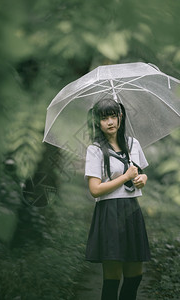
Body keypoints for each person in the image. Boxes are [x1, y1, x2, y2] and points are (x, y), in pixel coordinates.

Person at [85, 98, 150, 300]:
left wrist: (142, 179)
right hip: (110, 213)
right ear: (98, 122)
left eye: (114, 116)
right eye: (105, 118)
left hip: (131, 210)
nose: (110, 122)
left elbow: (140, 173)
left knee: (135, 276)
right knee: (112, 279)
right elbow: (95, 190)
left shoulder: (133, 144)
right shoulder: (95, 150)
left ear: (120, 117)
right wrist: (125, 177)